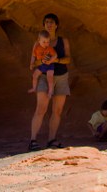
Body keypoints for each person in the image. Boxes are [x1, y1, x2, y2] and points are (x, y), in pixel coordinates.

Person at [28, 13, 71, 151]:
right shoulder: (38, 43)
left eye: (52, 22)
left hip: (61, 76)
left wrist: (56, 60)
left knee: (57, 110)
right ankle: (33, 140)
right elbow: (33, 64)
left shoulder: (63, 41)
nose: (49, 24)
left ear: (56, 25)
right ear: (43, 25)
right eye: (46, 22)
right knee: (41, 109)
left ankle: (51, 139)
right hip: (44, 77)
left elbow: (68, 59)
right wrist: (43, 61)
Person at [28, 30, 57, 97]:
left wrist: (51, 60)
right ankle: (34, 88)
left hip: (49, 65)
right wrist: (31, 64)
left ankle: (50, 92)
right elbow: (33, 56)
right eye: (44, 42)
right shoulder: (37, 48)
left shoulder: (49, 48)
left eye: (48, 42)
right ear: (39, 41)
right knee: (35, 75)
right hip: (41, 65)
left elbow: (55, 55)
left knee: (49, 77)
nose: (46, 44)